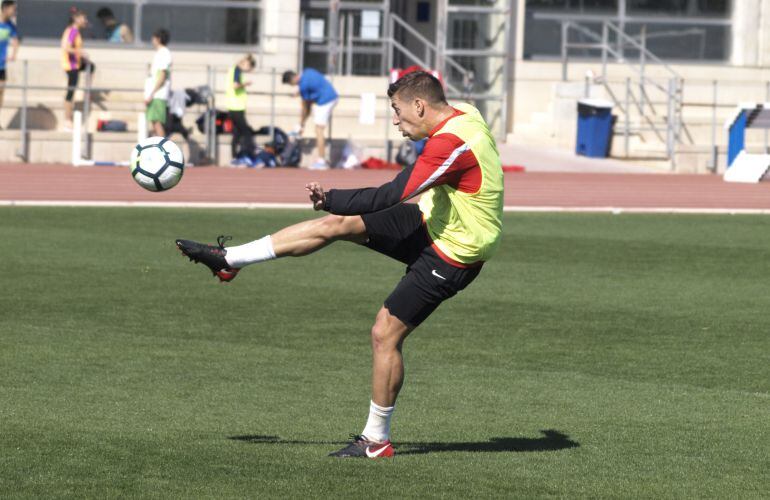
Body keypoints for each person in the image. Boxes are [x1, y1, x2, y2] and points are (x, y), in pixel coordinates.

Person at [176, 71, 504, 458]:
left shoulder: (453, 142)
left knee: (385, 333)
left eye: (397, 112)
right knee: (338, 226)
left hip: (454, 254)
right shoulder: (463, 112)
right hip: (432, 223)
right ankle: (231, 260)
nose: (396, 120)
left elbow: (390, 194)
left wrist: (331, 196)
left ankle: (375, 441)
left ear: (420, 106)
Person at [282, 68, 338, 169]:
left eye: (291, 84)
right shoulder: (307, 72)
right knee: (318, 128)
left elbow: (306, 108)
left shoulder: (303, 86)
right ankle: (322, 160)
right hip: (331, 96)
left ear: (292, 80)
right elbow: (314, 86)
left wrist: (301, 124)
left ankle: (322, 161)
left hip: (325, 101)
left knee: (318, 130)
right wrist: (300, 93)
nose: (294, 86)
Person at [61, 8, 93, 131]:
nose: (85, 21)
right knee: (70, 91)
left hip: (76, 63)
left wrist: (82, 57)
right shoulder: (73, 31)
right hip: (71, 65)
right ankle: (67, 120)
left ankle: (87, 91)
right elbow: (67, 48)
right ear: (76, 19)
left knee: (91, 67)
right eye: (83, 18)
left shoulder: (76, 31)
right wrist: (81, 52)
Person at [226, 54, 256, 164]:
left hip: (234, 106)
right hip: (236, 107)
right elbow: (235, 85)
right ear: (246, 64)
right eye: (249, 68)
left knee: (237, 133)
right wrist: (245, 84)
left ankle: (235, 158)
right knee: (246, 131)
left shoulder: (235, 70)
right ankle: (250, 155)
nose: (248, 70)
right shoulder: (237, 70)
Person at [144, 29, 171, 137]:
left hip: (158, 95)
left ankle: (163, 150)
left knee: (157, 123)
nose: (152, 40)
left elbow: (162, 76)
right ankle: (158, 148)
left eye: (153, 38)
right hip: (155, 94)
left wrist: (152, 94)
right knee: (154, 123)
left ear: (158, 39)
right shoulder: (160, 53)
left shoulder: (164, 53)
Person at [0, 0, 19, 119]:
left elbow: (16, 40)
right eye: (13, 9)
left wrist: (13, 55)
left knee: (1, 91)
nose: (14, 12)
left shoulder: (10, 25)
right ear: (6, 8)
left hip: (1, 65)